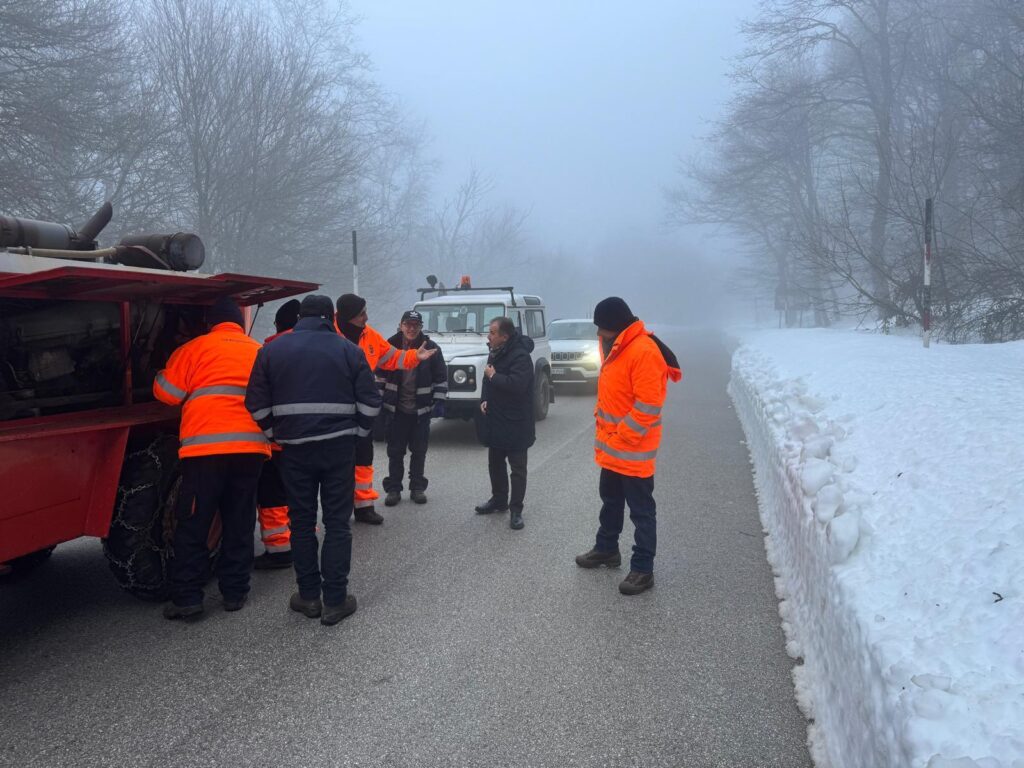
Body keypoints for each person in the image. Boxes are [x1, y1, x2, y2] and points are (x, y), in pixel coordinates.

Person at [245, 295, 381, 626]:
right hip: (338, 449)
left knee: (302, 522)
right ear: (329, 317)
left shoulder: (272, 351)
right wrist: (357, 433)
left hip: (294, 451)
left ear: (301, 317)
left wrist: (274, 434)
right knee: (337, 523)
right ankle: (335, 600)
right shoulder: (349, 350)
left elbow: (255, 403)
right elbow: (371, 402)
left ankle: (308, 597)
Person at [153, 296, 271, 619]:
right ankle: (235, 593)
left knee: (193, 524)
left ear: (210, 323)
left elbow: (168, 394)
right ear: (239, 321)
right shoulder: (258, 351)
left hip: (204, 453)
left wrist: (161, 371)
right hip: (250, 452)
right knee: (239, 521)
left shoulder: (194, 349)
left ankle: (188, 599)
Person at [575, 297, 681, 595]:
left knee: (641, 512)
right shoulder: (615, 345)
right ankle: (607, 549)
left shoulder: (643, 351)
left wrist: (621, 436)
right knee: (610, 502)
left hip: (633, 450)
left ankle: (643, 569)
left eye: (602, 329)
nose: (598, 335)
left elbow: (648, 406)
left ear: (617, 326)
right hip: (612, 449)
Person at [335, 293, 437, 524]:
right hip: (335, 414)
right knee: (338, 464)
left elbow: (393, 358)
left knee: (363, 459)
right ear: (349, 316)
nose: (366, 317)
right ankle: (338, 512)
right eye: (361, 314)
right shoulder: (328, 335)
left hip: (361, 413)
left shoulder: (371, 336)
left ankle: (363, 507)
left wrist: (415, 356)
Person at [380, 310, 448, 506]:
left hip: (421, 411)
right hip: (396, 410)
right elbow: (380, 376)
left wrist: (439, 401)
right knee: (395, 452)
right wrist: (378, 403)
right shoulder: (389, 346)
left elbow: (441, 377)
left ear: (420, 327)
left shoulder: (432, 348)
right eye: (407, 324)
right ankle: (393, 489)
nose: (411, 328)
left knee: (419, 451)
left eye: (415, 325)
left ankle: (417, 488)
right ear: (400, 326)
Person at [474, 316, 535, 530]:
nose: (488, 336)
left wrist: (493, 377)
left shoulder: (521, 357)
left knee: (517, 469)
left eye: (492, 332)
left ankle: (516, 510)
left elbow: (517, 385)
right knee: (495, 463)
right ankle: (498, 500)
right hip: (496, 419)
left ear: (504, 336)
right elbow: (486, 379)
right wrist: (484, 399)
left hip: (517, 422)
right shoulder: (495, 351)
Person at [254, 298, 301, 570]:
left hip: (277, 440)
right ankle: (302, 541)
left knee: (272, 493)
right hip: (306, 440)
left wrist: (269, 433)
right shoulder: (318, 350)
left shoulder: (269, 351)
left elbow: (258, 397)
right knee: (299, 493)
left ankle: (279, 549)